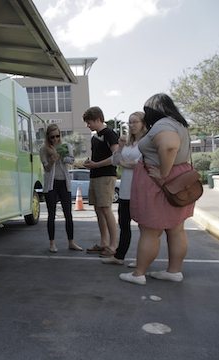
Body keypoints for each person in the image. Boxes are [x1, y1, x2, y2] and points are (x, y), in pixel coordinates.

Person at [120, 93, 195, 285]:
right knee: (177, 229)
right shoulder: (179, 124)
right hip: (179, 181)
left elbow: (169, 147)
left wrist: (163, 173)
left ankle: (139, 274)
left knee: (150, 230)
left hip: (159, 184)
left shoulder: (163, 125)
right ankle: (174, 271)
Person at [102, 112, 147, 266]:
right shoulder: (126, 142)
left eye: (135, 122)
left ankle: (142, 259)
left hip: (140, 190)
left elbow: (141, 164)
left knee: (144, 227)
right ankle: (119, 257)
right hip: (125, 190)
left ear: (143, 123)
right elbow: (115, 161)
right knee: (124, 224)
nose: (132, 125)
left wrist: (126, 163)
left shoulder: (146, 143)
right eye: (130, 122)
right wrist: (120, 148)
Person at [82, 106, 119, 257]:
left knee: (105, 208)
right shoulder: (94, 137)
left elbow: (116, 157)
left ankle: (113, 245)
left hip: (106, 176)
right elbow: (99, 156)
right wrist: (90, 163)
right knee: (98, 209)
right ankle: (104, 242)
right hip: (95, 176)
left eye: (89, 122)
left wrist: (96, 165)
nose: (88, 125)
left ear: (98, 119)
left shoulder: (110, 133)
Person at [40, 124, 83, 253]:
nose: (55, 139)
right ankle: (52, 243)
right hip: (51, 184)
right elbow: (46, 168)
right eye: (52, 137)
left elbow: (72, 161)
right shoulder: (44, 149)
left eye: (57, 136)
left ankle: (71, 242)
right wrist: (52, 160)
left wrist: (64, 158)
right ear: (48, 137)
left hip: (64, 183)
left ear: (60, 135)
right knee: (51, 214)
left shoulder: (66, 146)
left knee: (68, 214)